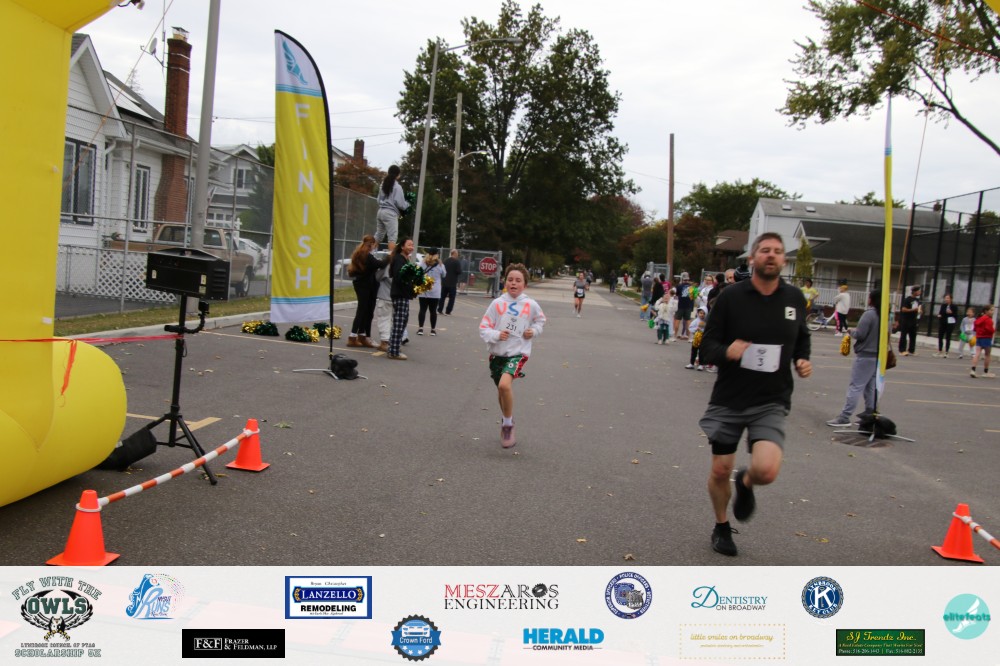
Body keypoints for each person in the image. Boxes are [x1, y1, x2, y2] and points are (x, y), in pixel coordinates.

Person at [697, 232, 812, 557]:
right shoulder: (731, 298)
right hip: (730, 398)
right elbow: (706, 347)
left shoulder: (794, 298)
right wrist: (727, 351)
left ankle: (746, 482)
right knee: (721, 469)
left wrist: (802, 359)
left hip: (770, 399)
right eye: (765, 250)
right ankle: (721, 526)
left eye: (777, 251)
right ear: (752, 258)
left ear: (784, 260)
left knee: (767, 471)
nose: (771, 255)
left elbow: (802, 337)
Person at [479, 263, 546, 448]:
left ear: (525, 284)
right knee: (501, 390)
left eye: (518, 280)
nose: (513, 283)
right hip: (497, 354)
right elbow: (484, 328)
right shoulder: (497, 304)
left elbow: (540, 321)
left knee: (504, 385)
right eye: (510, 280)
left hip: (518, 353)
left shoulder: (530, 304)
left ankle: (508, 425)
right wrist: (496, 335)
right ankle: (506, 419)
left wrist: (533, 331)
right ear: (505, 282)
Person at [826, 291, 881, 427]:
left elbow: (860, 334)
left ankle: (844, 417)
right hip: (878, 356)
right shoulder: (885, 315)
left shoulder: (869, 314)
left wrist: (851, 331)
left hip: (865, 355)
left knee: (856, 387)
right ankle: (870, 414)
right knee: (870, 387)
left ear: (872, 299)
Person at [346, 235, 387, 349]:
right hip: (364, 285)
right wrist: (390, 257)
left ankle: (362, 334)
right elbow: (380, 264)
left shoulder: (359, 253)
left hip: (362, 284)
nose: (375, 246)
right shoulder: (366, 255)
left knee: (365, 310)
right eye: (374, 244)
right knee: (362, 310)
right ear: (372, 244)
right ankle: (352, 336)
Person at [386, 237, 416, 360]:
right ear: (402, 246)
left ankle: (394, 346)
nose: (411, 247)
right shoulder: (399, 259)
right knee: (399, 323)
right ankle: (393, 351)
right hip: (400, 294)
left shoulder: (405, 259)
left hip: (403, 294)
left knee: (402, 322)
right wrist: (410, 282)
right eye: (409, 245)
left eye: (412, 245)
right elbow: (399, 277)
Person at [375, 165, 408, 252]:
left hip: (380, 211)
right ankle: (392, 258)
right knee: (392, 237)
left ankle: (369, 253)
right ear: (398, 175)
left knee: (378, 235)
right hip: (390, 213)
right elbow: (401, 204)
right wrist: (407, 204)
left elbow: (378, 199)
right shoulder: (397, 187)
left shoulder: (383, 184)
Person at [416, 251, 446, 336]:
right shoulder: (440, 265)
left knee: (422, 309)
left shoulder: (423, 263)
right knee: (433, 311)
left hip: (424, 289)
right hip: (435, 290)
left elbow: (418, 273)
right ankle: (433, 330)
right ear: (437, 255)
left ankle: (420, 328)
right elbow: (444, 275)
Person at [970, 304, 995, 378]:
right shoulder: (988, 320)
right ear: (986, 311)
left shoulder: (979, 319)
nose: (993, 312)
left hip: (979, 338)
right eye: (991, 310)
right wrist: (993, 330)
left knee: (977, 354)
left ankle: (973, 370)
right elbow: (989, 330)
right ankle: (985, 372)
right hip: (987, 338)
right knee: (987, 355)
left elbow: (975, 328)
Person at [897, 285, 922, 356]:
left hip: (914, 320)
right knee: (904, 335)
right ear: (914, 291)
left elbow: (919, 308)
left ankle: (911, 350)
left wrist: (920, 311)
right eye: (918, 291)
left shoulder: (917, 300)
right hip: (906, 320)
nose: (919, 292)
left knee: (913, 335)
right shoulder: (907, 299)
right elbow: (903, 309)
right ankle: (902, 350)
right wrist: (913, 310)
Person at [436, 250, 462, 316]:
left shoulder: (445, 261)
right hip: (452, 282)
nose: (458, 255)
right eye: (457, 253)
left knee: (442, 297)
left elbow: (442, 269)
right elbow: (459, 271)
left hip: (444, 282)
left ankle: (439, 310)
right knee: (452, 298)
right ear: (454, 254)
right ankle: (448, 311)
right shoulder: (457, 262)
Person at [934, 294, 959, 358]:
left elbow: (956, 315)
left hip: (950, 324)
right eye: (945, 298)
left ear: (951, 299)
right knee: (940, 336)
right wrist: (939, 315)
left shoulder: (954, 306)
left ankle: (946, 352)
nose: (946, 299)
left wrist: (951, 313)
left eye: (948, 298)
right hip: (943, 323)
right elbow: (940, 313)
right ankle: (940, 351)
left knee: (948, 337)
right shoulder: (943, 305)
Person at [675, 272, 694, 339]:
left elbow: (677, 294)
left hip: (680, 305)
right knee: (688, 321)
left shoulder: (679, 286)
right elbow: (693, 297)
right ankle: (689, 336)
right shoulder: (692, 287)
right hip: (688, 305)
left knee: (677, 320)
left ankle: (675, 335)